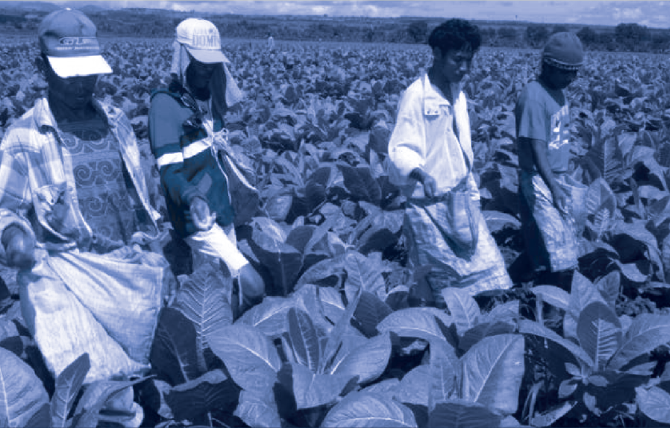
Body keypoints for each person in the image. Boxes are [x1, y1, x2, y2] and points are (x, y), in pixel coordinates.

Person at [0, 8, 170, 425]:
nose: (81, 83)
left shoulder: (116, 122)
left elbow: (139, 197)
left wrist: (151, 245)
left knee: (138, 368)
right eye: (68, 72)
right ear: (42, 67)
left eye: (88, 72)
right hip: (67, 281)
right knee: (104, 394)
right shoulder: (25, 136)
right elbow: (4, 208)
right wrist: (14, 238)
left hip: (125, 271)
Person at [388, 19, 512, 306]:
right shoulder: (416, 95)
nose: (465, 68)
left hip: (459, 200)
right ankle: (429, 335)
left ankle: (470, 326)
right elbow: (400, 148)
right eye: (458, 59)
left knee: (487, 266)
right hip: (428, 207)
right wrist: (420, 174)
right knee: (439, 283)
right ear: (437, 54)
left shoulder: (458, 94)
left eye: (469, 60)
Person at [149, 18, 265, 316]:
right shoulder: (165, 105)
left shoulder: (208, 102)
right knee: (252, 285)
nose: (207, 69)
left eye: (211, 63)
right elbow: (168, 173)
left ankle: (211, 347)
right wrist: (192, 197)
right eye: (200, 62)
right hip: (196, 217)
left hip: (221, 209)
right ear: (183, 57)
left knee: (216, 291)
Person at [514, 32, 584, 288]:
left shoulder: (557, 91)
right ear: (550, 67)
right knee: (557, 250)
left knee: (548, 244)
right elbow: (537, 148)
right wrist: (553, 187)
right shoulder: (534, 96)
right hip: (537, 180)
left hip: (555, 178)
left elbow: (557, 137)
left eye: (575, 72)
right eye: (567, 73)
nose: (572, 79)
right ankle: (549, 314)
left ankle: (509, 284)